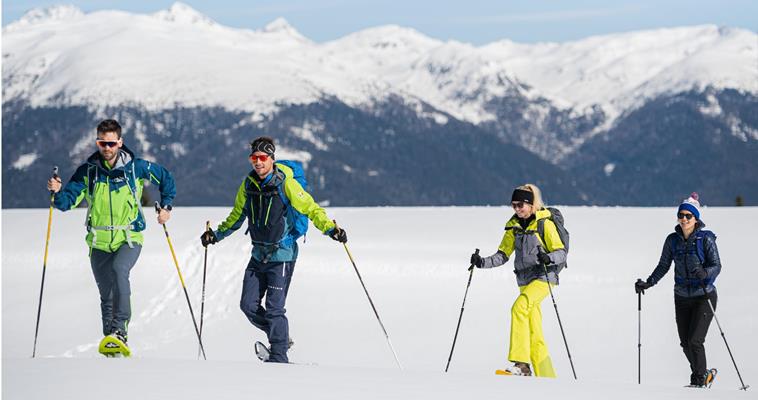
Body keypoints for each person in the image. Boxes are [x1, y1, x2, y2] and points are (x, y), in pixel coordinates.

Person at [201, 136, 347, 363]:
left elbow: (311, 208)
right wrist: (216, 235)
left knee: (274, 309)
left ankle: (279, 356)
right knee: (247, 306)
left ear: (271, 158)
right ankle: (280, 337)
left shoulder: (286, 183)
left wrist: (330, 229)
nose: (257, 162)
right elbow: (236, 216)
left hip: (282, 254)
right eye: (253, 158)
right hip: (258, 255)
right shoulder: (248, 185)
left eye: (262, 158)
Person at [46, 119, 176, 352]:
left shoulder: (135, 167)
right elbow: (66, 203)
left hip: (129, 237)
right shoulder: (88, 172)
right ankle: (111, 342)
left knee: (119, 272)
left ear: (120, 142)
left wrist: (166, 207)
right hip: (98, 241)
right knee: (106, 294)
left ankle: (120, 332)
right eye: (102, 143)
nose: (106, 148)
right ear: (97, 142)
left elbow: (166, 178)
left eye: (111, 143)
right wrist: (56, 193)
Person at [470, 184, 565, 377]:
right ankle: (548, 378)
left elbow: (560, 252)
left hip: (544, 278)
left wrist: (549, 258)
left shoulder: (544, 223)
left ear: (530, 204)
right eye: (514, 205)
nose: (517, 209)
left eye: (520, 204)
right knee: (534, 331)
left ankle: (521, 364)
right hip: (524, 281)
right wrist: (481, 262)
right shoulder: (513, 227)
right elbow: (503, 254)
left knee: (519, 308)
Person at [635, 193, 721, 387]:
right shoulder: (672, 240)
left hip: (704, 296)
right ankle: (703, 374)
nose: (683, 219)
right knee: (685, 343)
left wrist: (704, 273)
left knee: (695, 341)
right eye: (681, 215)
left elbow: (716, 265)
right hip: (681, 297)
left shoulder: (705, 239)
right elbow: (663, 265)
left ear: (696, 218)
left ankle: (699, 380)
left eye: (688, 216)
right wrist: (649, 282)